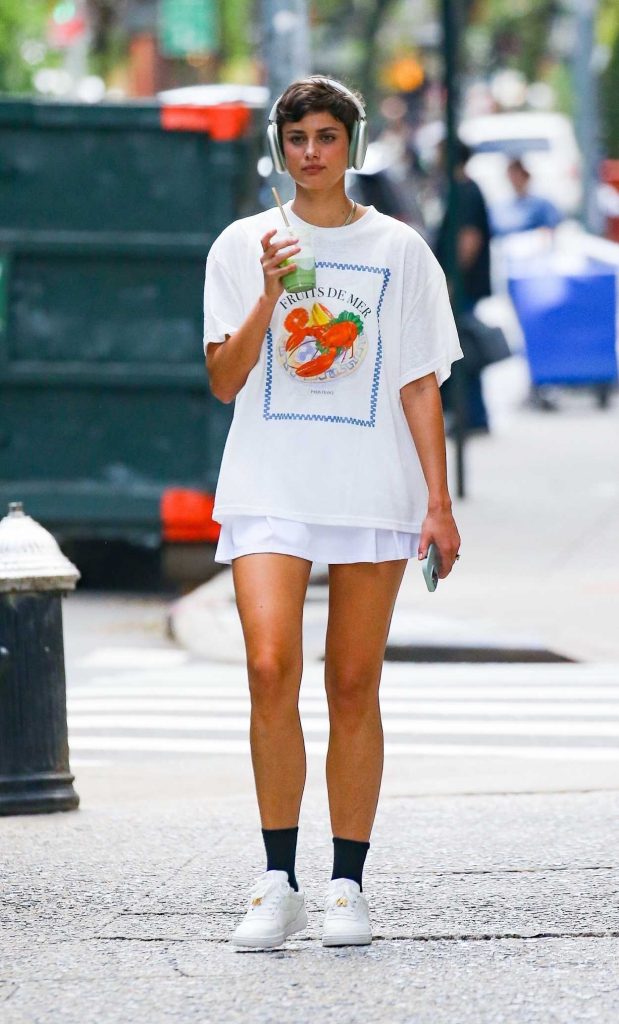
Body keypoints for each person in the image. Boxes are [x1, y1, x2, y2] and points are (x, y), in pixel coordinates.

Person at [203, 76, 462, 951]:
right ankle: (277, 879)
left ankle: (346, 883)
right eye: (296, 137)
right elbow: (224, 378)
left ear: (350, 143)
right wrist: (271, 292)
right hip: (269, 481)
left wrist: (438, 502)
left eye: (325, 135)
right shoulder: (244, 245)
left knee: (352, 682)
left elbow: (419, 381)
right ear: (278, 147)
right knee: (270, 665)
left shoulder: (399, 250)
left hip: (371, 484)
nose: (310, 152)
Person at [434, 139, 492, 433]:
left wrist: (452, 280)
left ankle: (474, 415)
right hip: (459, 284)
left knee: (463, 350)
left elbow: (469, 239)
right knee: (462, 348)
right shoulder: (458, 190)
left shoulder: (466, 191)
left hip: (461, 286)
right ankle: (472, 414)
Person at [491, 157, 563, 237]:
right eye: (512, 174)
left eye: (517, 174)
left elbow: (551, 228)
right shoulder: (499, 206)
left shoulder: (542, 204)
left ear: (526, 175)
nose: (515, 179)